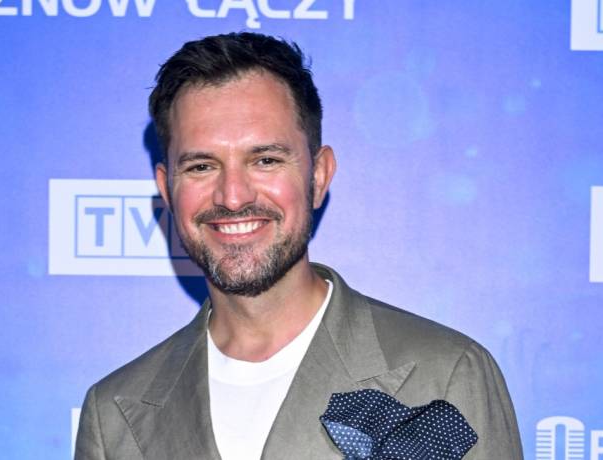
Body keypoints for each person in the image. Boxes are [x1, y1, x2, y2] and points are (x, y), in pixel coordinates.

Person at [74, 32, 523, 459]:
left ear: (319, 176)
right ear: (167, 189)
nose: (233, 196)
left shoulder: (443, 373)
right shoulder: (112, 415)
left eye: (265, 160)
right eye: (201, 167)